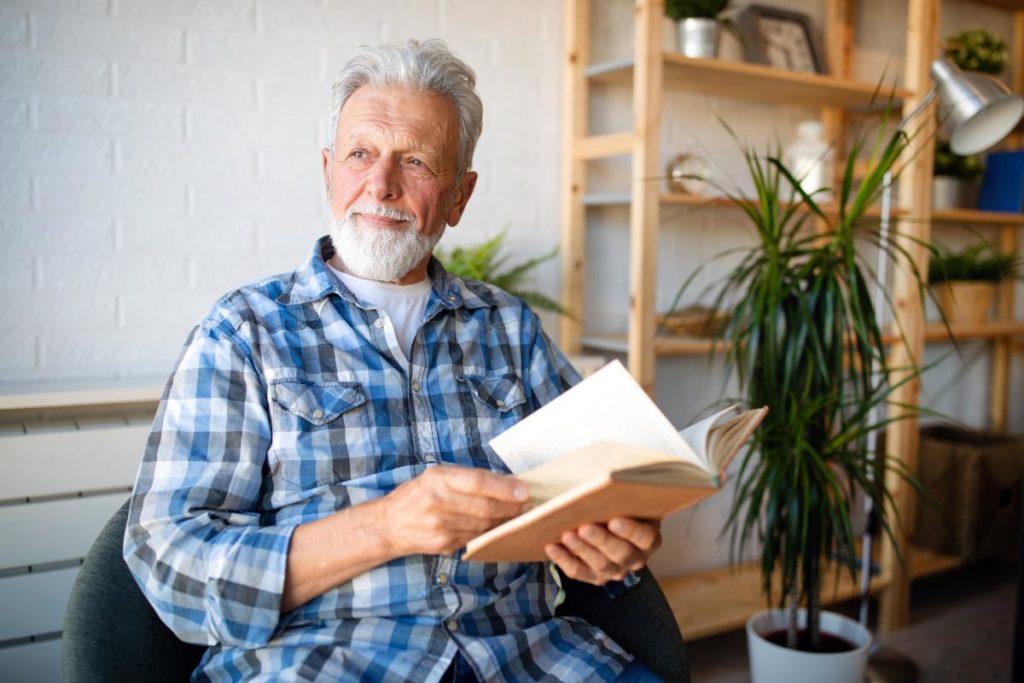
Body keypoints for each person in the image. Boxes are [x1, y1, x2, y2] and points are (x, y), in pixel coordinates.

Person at [124, 39, 663, 682]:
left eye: (415, 161)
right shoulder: (243, 331)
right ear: (329, 170)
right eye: (360, 154)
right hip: (320, 663)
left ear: (460, 196)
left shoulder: (510, 328)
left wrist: (618, 539)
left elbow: (599, 493)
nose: (380, 184)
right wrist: (384, 527)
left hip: (529, 658)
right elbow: (169, 564)